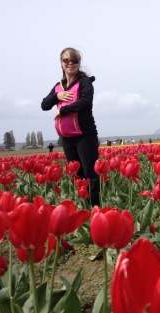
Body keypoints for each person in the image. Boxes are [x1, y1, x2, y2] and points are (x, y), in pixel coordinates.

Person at [41, 47, 100, 206]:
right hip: (67, 139)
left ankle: (95, 210)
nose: (70, 63)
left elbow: (85, 101)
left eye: (74, 60)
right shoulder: (58, 86)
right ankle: (84, 208)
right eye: (66, 60)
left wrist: (62, 109)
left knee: (90, 174)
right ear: (61, 63)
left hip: (85, 135)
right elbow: (44, 105)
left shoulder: (85, 82)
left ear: (79, 64)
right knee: (77, 175)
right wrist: (56, 96)